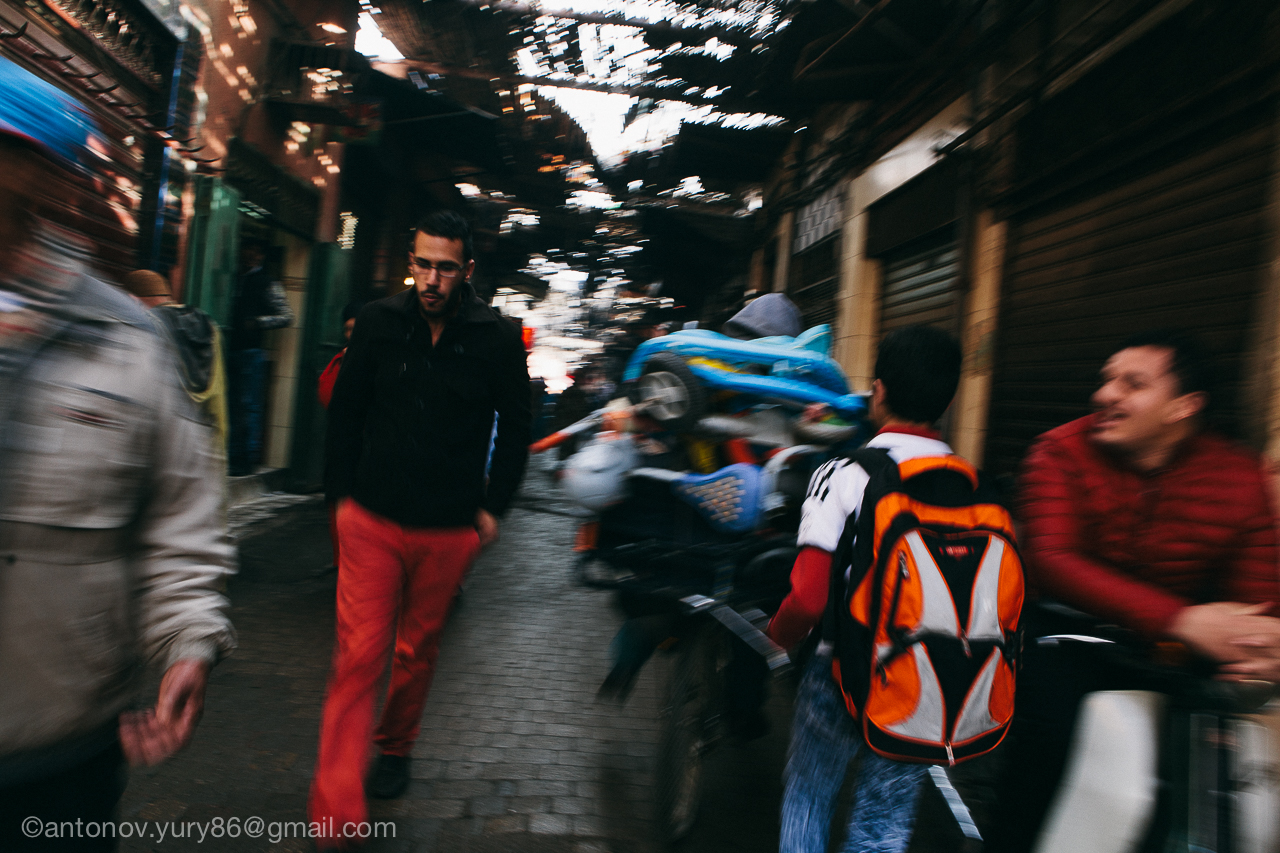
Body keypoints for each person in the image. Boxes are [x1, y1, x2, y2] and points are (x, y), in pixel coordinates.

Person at [0, 58, 235, 852]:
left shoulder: (126, 343)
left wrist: (185, 644)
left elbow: (180, 519)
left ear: (51, 183)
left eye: (13, 160)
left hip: (62, 751)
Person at [988, 329, 1280, 853]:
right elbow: (1052, 560)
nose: (1106, 395)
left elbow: (1258, 603)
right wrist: (1184, 620)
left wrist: (1255, 657)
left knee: (1204, 783)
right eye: (1107, 380)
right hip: (1070, 636)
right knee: (1037, 767)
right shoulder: (1059, 452)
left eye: (1133, 383)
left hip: (1177, 656)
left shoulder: (1238, 477)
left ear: (1183, 407)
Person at [311, 210, 531, 846]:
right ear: (410, 262)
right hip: (372, 520)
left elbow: (516, 427)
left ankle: (397, 744)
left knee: (416, 651)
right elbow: (346, 415)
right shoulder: (379, 323)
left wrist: (494, 508)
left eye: (445, 267)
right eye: (422, 264)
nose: (431, 279)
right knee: (357, 658)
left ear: (467, 270)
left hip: (447, 529)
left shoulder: (496, 337)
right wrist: (340, 502)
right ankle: (334, 815)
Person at [767, 325, 963, 853]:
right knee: (882, 825)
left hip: (841, 672)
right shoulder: (968, 483)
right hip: (927, 684)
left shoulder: (845, 474)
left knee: (810, 795)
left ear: (878, 391)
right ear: (947, 400)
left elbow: (809, 596)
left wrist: (777, 639)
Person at [121, 269, 229, 455]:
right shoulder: (209, 325)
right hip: (201, 439)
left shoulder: (146, 326)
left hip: (158, 441)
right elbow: (218, 397)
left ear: (134, 299)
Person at [227, 238, 292, 476]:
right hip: (231, 349)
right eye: (248, 248)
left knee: (248, 406)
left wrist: (257, 323)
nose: (251, 255)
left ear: (262, 256)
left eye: (256, 251)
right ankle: (233, 456)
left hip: (252, 352)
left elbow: (286, 315)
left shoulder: (267, 282)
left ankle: (246, 459)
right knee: (233, 404)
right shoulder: (232, 277)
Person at [317, 301, 361, 570]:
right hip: (343, 450)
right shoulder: (342, 360)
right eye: (347, 329)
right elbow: (327, 395)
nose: (351, 335)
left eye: (356, 329)